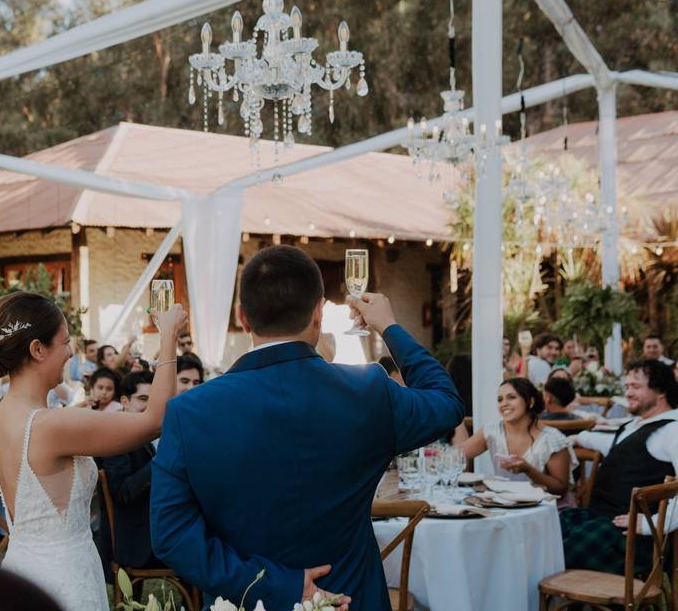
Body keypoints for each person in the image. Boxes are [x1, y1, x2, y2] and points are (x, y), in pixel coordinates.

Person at [150, 245, 463, 611]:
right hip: (350, 598)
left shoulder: (189, 412)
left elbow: (171, 534)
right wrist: (389, 327)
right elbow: (447, 402)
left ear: (243, 318)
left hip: (245, 602)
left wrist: (272, 584)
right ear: (318, 314)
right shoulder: (368, 391)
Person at [0, 290, 187, 611]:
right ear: (38, 349)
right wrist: (168, 336)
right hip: (62, 577)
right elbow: (156, 420)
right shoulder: (50, 425)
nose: (70, 353)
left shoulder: (8, 412)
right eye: (65, 342)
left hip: (24, 569)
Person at [561, 358, 678, 575]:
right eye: (627, 387)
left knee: (553, 552)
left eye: (636, 386)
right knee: (543, 532)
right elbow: (609, 443)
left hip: (634, 539)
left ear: (660, 391)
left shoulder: (674, 430)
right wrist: (578, 438)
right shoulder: (634, 425)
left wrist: (655, 523)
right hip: (599, 519)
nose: (628, 393)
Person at [452, 378, 575, 497]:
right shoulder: (492, 431)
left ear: (530, 402)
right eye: (500, 399)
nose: (504, 404)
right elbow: (456, 454)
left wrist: (529, 470)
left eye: (511, 397)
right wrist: (434, 453)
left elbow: (560, 489)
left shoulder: (552, 439)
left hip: (546, 509)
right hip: (505, 506)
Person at [100, 371, 164, 570]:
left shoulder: (164, 429)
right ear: (125, 402)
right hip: (138, 539)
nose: (150, 406)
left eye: (154, 400)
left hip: (168, 525)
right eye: (143, 399)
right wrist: (161, 461)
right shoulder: (115, 439)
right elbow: (122, 492)